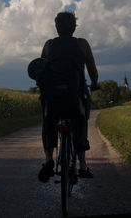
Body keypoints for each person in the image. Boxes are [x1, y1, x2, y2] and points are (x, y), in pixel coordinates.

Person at [38, 11, 98, 183]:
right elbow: (93, 71)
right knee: (80, 122)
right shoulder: (82, 44)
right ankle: (83, 165)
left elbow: (41, 69)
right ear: (74, 27)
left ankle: (49, 159)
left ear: (57, 28)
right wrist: (94, 84)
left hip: (53, 96)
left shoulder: (49, 45)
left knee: (48, 121)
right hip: (75, 96)